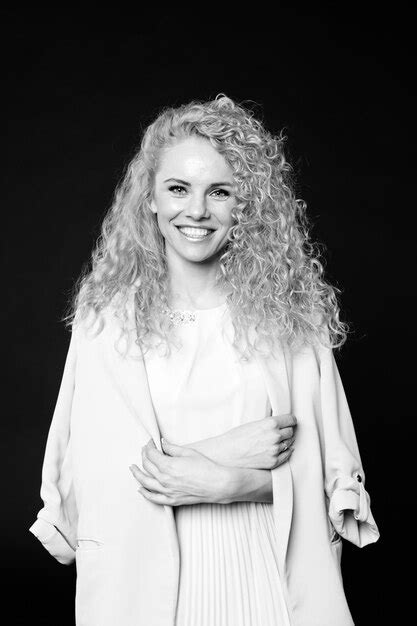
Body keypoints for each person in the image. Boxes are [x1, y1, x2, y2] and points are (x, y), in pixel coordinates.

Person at [29, 95, 380, 626]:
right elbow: (93, 480)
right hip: (147, 592)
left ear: (246, 205)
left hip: (270, 586)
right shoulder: (105, 321)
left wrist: (229, 484)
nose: (196, 210)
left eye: (219, 191)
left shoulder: (292, 319)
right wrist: (226, 450)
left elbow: (335, 487)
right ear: (149, 198)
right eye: (178, 188)